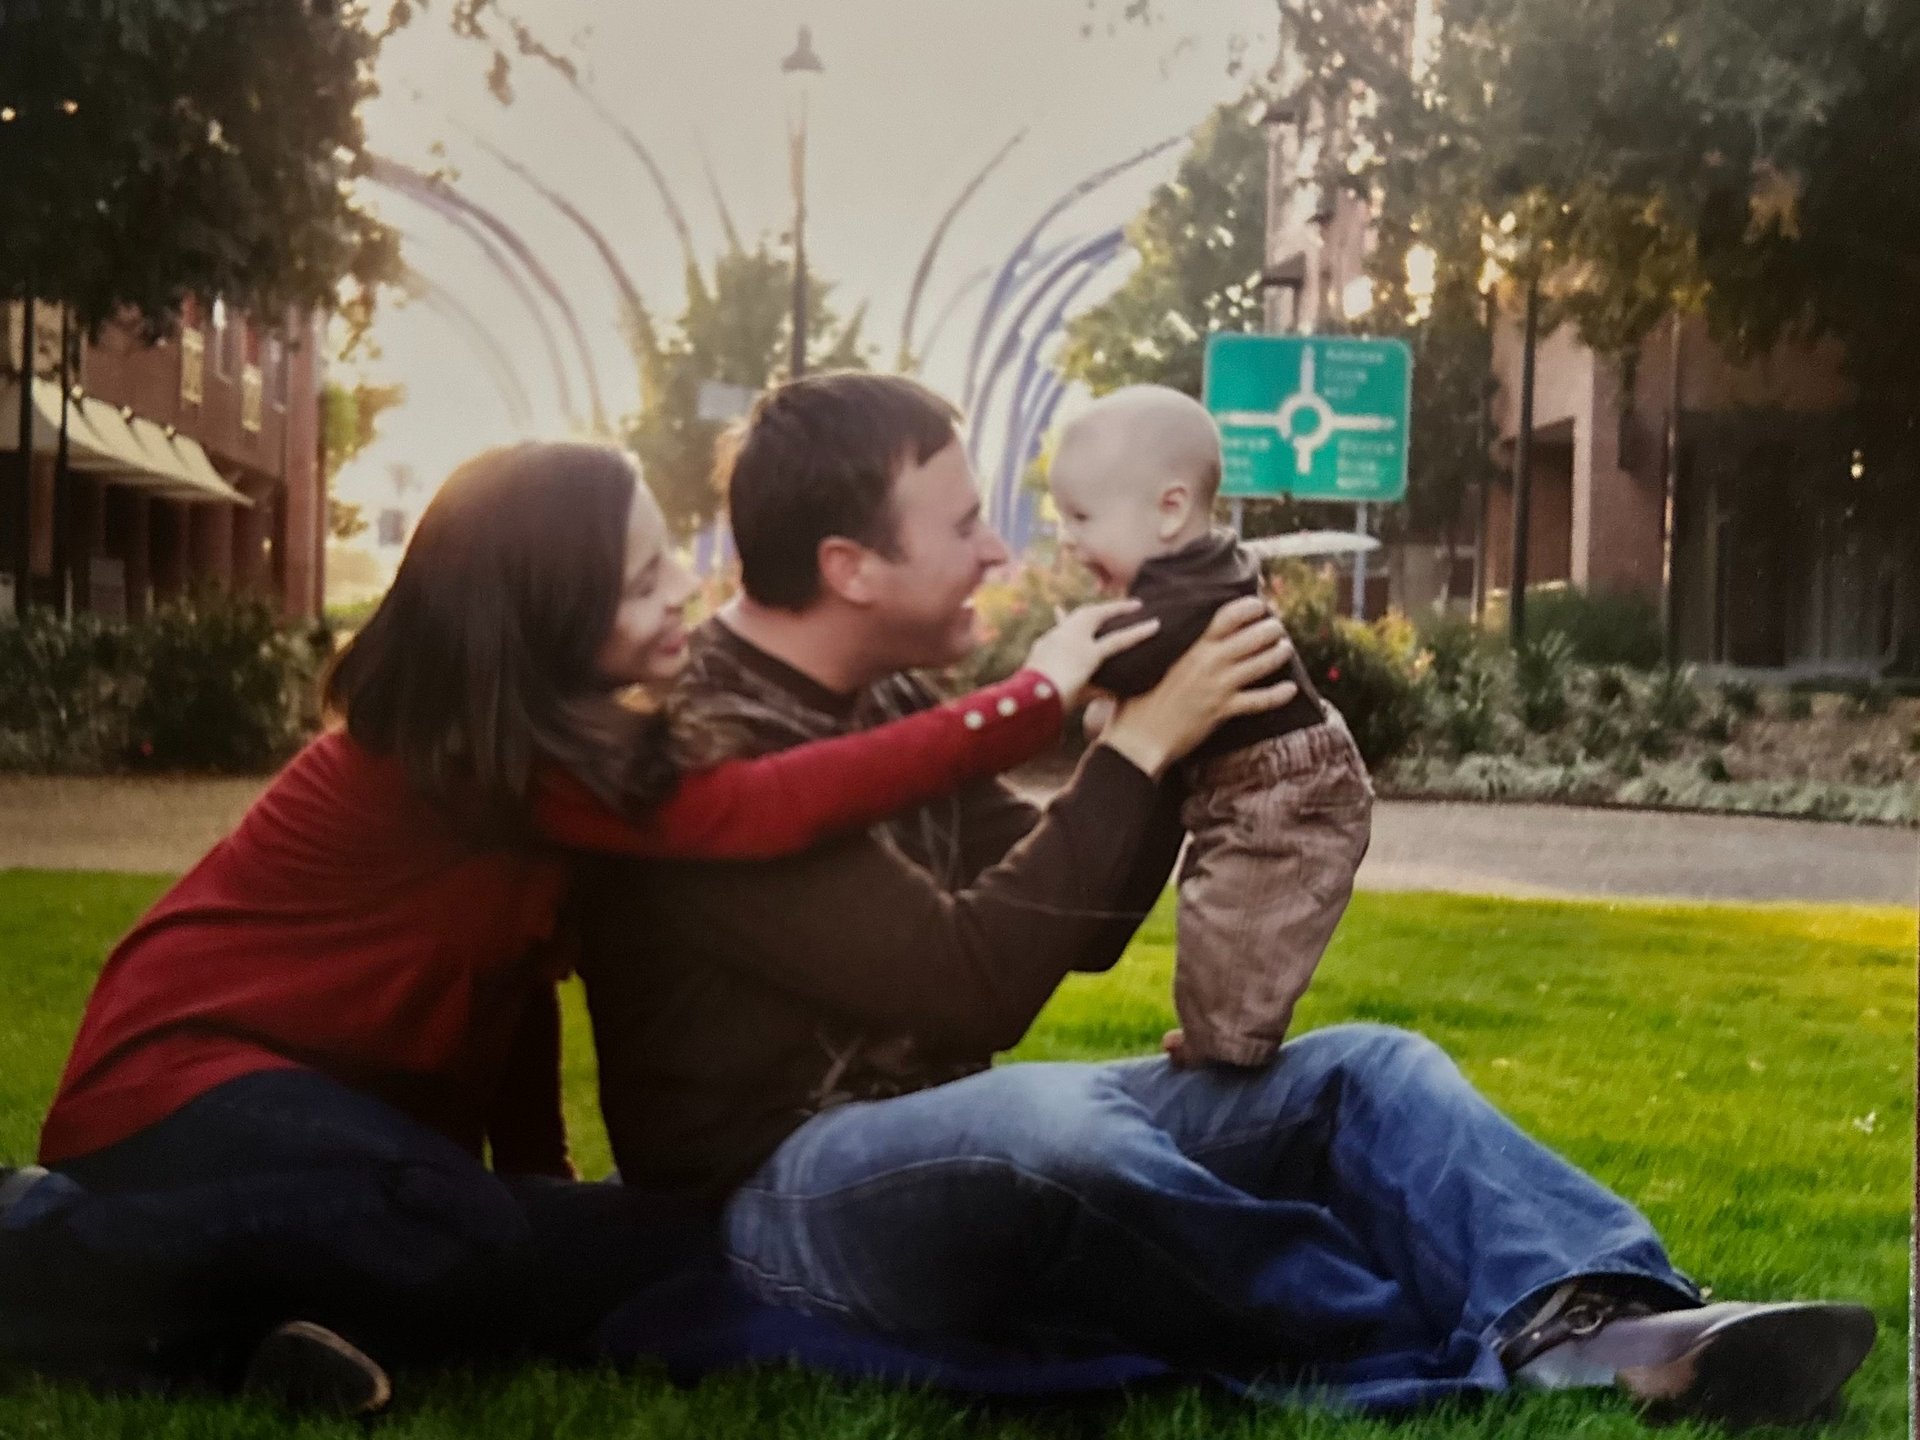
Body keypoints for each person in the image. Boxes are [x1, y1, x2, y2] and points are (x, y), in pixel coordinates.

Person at [575, 373, 1876, 1429]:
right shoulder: (711, 750)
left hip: (947, 1137)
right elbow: (971, 982)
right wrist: (1140, 747)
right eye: (965, 523)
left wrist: (1187, 734)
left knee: (1366, 1071)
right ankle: (1426, 1329)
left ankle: (1610, 1320)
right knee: (1056, 1125)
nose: (1001, 549)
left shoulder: (893, 706)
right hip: (784, 1199)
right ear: (852, 565)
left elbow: (1071, 929)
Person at [0, 438, 1239, 1414]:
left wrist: (540, 1176)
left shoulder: (567, 750)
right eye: (642, 581)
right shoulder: (463, 752)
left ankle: (253, 1335)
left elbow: (512, 988)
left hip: (334, 1132)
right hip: (180, 1089)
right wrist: (1028, 702)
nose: (682, 589)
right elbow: (763, 807)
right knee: (454, 1225)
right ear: (543, 612)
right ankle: (38, 1240)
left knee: (648, 1245)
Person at [1049, 383, 1372, 1065]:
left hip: (1287, 793)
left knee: (1239, 919)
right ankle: (1219, 1035)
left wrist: (1064, 668)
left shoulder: (1189, 595)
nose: (1067, 540)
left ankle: (1226, 1047)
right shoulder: (1201, 571)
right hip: (1248, 782)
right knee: (1214, 910)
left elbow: (1126, 659)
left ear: (1170, 510)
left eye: (1081, 517)